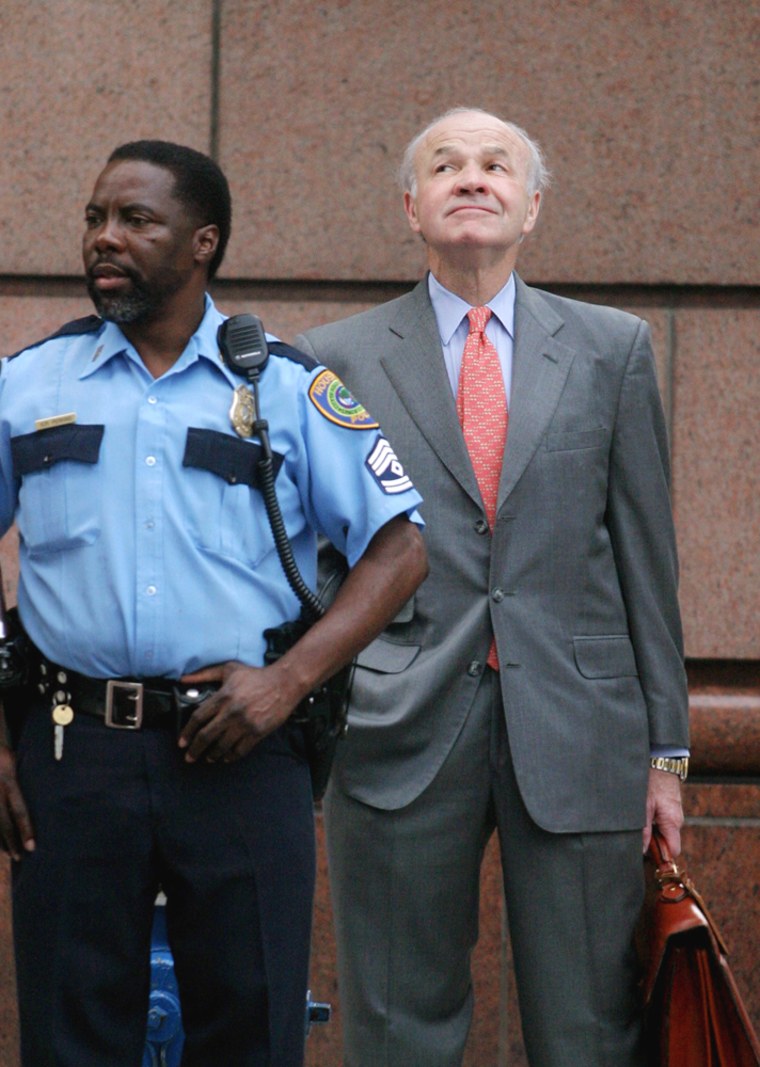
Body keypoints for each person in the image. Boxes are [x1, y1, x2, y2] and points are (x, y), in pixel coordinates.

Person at [0, 139, 427, 1067]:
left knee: (253, 1028)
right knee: (70, 1037)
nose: (105, 239)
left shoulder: (285, 386)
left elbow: (400, 549)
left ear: (204, 242)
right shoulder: (28, 384)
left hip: (241, 750)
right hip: (74, 751)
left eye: (136, 221)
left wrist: (289, 681)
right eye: (94, 219)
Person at [295, 107, 689, 1067]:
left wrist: (667, 754)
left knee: (590, 1026)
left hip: (584, 729)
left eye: (496, 165)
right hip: (396, 728)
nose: (472, 178)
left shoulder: (611, 348)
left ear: (533, 206)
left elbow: (647, 557)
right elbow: (315, 563)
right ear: (411, 207)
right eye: (445, 165)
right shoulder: (336, 358)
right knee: (396, 1021)